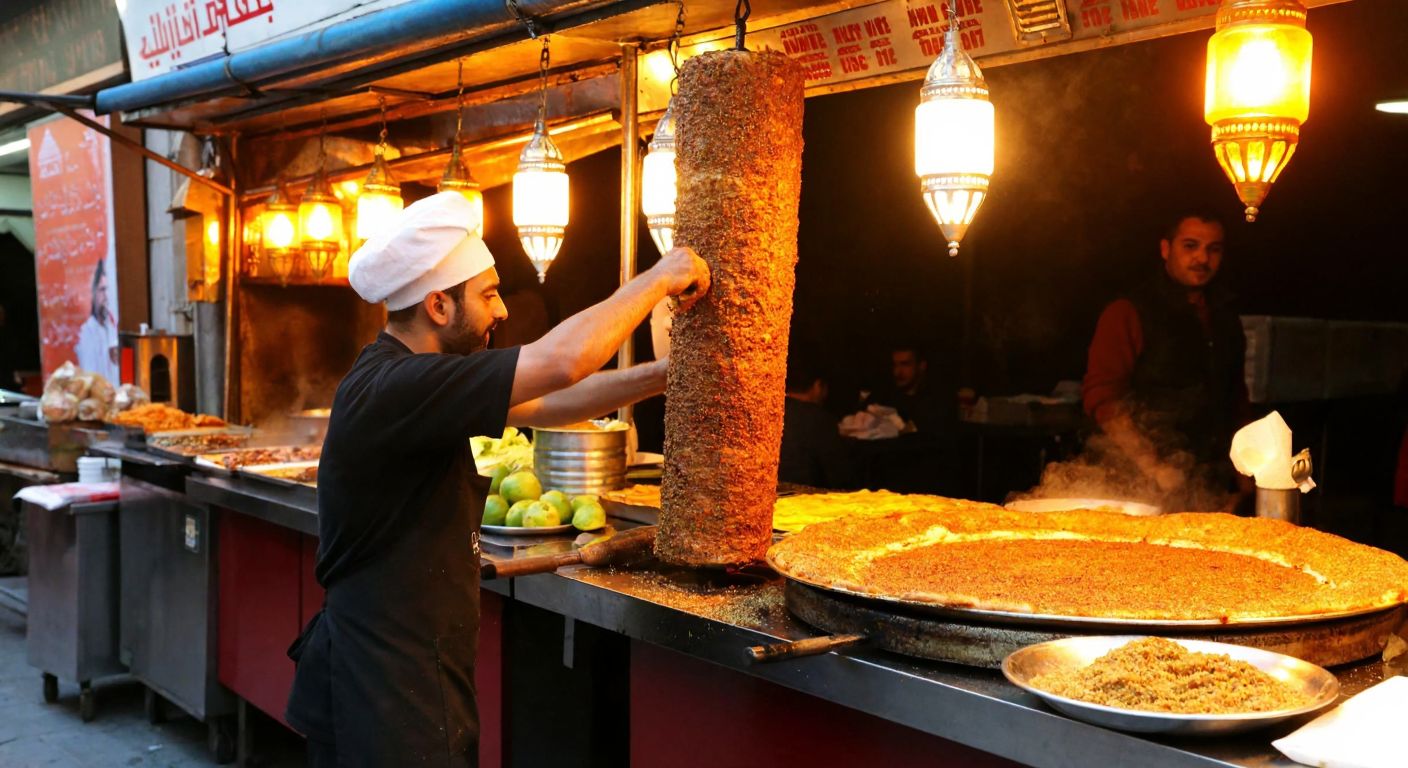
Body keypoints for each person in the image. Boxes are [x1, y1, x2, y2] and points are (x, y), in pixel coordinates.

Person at [285, 193, 710, 766]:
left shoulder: (421, 380)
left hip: (411, 670)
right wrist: (660, 277)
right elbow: (562, 361)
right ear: (438, 305)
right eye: (488, 294)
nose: (503, 310)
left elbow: (553, 398)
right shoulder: (396, 386)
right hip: (382, 688)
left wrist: (667, 375)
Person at [1082, 210, 1251, 510]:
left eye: (1213, 249)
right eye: (1190, 246)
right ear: (1165, 249)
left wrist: (1247, 476)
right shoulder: (1128, 312)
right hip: (1136, 484)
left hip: (1211, 484)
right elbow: (1103, 400)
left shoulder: (1226, 316)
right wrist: (1154, 466)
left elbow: (1235, 400)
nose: (1202, 258)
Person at [779, 351, 857, 490]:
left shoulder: (774, 411)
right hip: (807, 501)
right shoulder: (819, 419)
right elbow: (840, 476)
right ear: (818, 386)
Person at [74, 258, 119, 382]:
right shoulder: (87, 332)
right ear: (93, 293)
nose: (106, 296)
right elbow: (91, 377)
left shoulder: (111, 325)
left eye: (108, 289)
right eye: (102, 290)